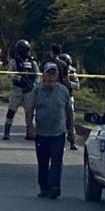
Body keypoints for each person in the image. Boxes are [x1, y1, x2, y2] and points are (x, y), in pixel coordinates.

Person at [27, 62, 75, 200]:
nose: (51, 76)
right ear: (44, 74)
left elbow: (69, 111)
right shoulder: (37, 91)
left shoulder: (63, 91)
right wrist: (30, 127)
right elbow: (29, 109)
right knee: (43, 162)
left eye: (54, 73)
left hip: (58, 132)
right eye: (49, 73)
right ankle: (44, 187)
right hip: (41, 133)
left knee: (56, 161)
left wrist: (71, 130)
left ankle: (55, 187)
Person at [3, 39, 39, 141]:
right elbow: (9, 74)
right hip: (17, 90)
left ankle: (29, 132)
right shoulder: (14, 62)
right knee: (11, 111)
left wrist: (34, 85)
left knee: (29, 113)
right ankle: (7, 131)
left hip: (29, 91)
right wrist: (19, 78)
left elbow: (38, 75)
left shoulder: (33, 63)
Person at [58, 53, 79, 150]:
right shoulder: (56, 70)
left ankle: (72, 142)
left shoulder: (72, 71)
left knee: (71, 120)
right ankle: (60, 143)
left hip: (69, 97)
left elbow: (77, 86)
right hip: (58, 97)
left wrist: (69, 83)